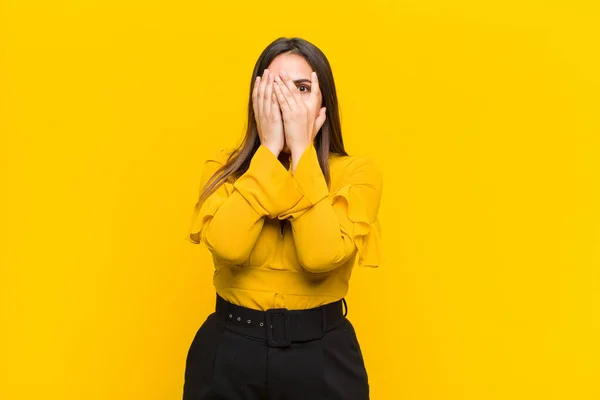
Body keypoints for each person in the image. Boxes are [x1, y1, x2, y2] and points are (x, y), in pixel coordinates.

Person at [183, 37, 384, 400]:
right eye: (274, 88)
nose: (287, 102)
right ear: (255, 101)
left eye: (302, 88)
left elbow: (319, 256)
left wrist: (304, 151)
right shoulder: (223, 170)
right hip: (230, 351)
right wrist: (269, 150)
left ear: (324, 105)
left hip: (323, 357)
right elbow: (229, 247)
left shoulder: (358, 173)